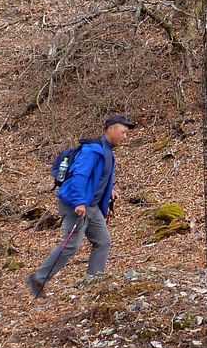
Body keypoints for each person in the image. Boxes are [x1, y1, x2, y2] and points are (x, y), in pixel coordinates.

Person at [28, 114, 135, 297]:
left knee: (103, 241)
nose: (125, 137)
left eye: (126, 133)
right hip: (76, 204)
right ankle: (39, 278)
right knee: (71, 245)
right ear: (111, 129)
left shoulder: (107, 152)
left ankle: (93, 282)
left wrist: (110, 190)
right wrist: (79, 202)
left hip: (91, 206)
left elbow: (99, 177)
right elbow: (80, 176)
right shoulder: (92, 151)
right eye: (123, 132)